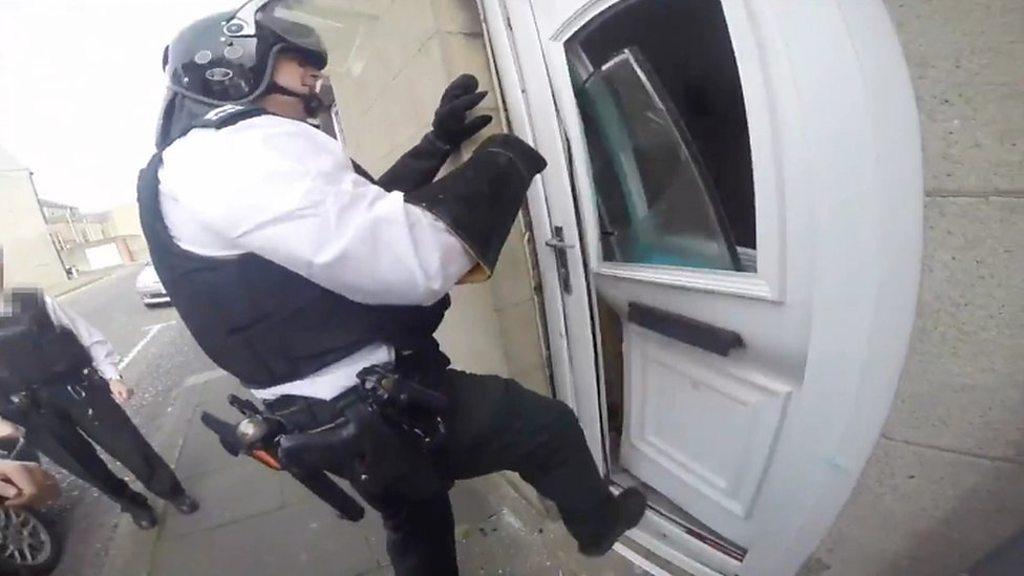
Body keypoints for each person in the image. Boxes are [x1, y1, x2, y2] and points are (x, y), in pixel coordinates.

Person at [141, 1, 646, 573]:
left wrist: (436, 144)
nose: (314, 78)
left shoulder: (190, 165)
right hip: (366, 402)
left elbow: (355, 219)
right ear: (232, 72)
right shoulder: (236, 149)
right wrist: (504, 160)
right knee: (546, 428)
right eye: (296, 65)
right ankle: (598, 526)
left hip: (322, 412)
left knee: (416, 520)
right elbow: (414, 258)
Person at [0, 256, 199, 529]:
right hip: (29, 410)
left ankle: (172, 491)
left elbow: (85, 335)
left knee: (128, 445)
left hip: (76, 387)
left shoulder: (32, 301)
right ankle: (132, 504)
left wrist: (112, 376)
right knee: (84, 467)